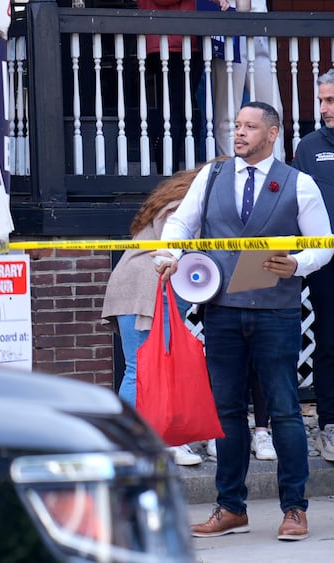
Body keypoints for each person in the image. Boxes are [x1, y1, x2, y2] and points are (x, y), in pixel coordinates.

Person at [156, 102, 333, 542]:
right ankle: (230, 508)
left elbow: (325, 244)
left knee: (286, 412)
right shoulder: (211, 177)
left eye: (250, 127)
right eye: (237, 126)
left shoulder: (300, 183)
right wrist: (169, 250)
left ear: (273, 134)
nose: (239, 133)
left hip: (277, 312)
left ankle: (295, 509)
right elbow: (181, 221)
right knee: (227, 413)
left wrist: (299, 264)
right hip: (222, 312)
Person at [100, 162, 213, 468]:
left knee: (143, 368)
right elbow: (175, 252)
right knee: (141, 369)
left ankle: (131, 440)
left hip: (135, 289)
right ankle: (143, 441)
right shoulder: (181, 209)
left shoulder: (168, 203)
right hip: (147, 290)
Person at [293, 68, 334, 465]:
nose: (323, 108)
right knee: (329, 344)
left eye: (330, 100)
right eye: (320, 100)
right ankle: (330, 427)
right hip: (328, 264)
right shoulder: (308, 146)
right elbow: (298, 203)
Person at [132, 0, 225, 171]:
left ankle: (177, 173)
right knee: (172, 113)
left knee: (183, 113)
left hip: (186, 44)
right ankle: (165, 173)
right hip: (168, 45)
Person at [198, 0, 283, 159]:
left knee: (272, 106)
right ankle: (228, 165)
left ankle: (276, 163)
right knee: (228, 108)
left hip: (258, 32)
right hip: (232, 33)